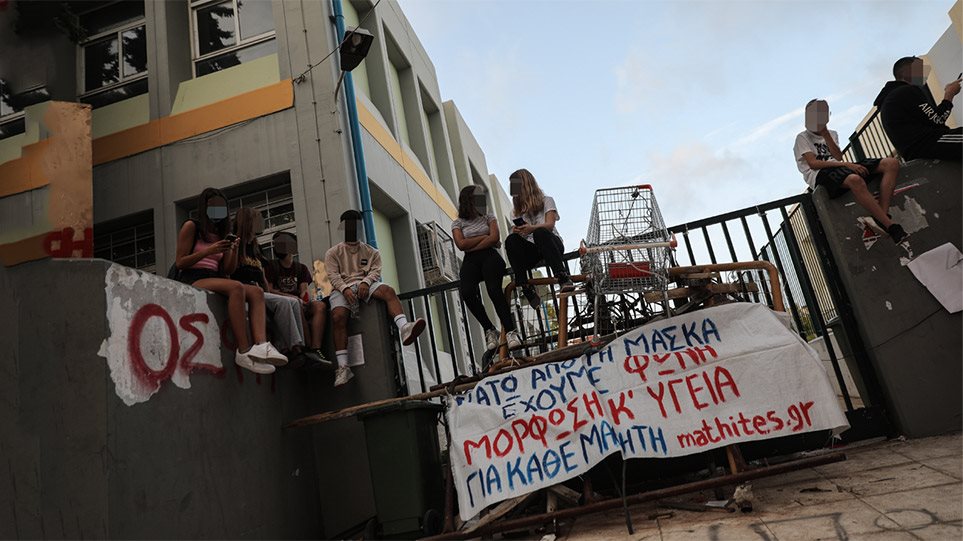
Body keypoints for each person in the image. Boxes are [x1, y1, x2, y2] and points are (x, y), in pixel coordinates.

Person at [174, 188, 287, 374]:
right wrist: (209, 251)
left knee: (256, 292)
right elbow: (180, 262)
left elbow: (228, 269)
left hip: (215, 277)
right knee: (236, 287)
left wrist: (232, 250)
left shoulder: (221, 233)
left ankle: (261, 345)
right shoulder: (191, 226)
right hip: (193, 277)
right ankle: (243, 351)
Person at [324, 210, 426, 386]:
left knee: (388, 291)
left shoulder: (371, 252)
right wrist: (345, 289)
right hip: (341, 289)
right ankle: (343, 367)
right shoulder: (333, 252)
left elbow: (376, 271)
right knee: (338, 316)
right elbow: (333, 275)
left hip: (365, 284)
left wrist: (365, 282)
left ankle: (404, 327)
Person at [794, 99, 908, 244]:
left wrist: (826, 134)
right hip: (819, 174)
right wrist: (848, 165)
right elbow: (813, 164)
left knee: (891, 163)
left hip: (840, 168)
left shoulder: (832, 133)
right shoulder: (802, 137)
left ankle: (882, 217)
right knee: (855, 179)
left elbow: (837, 156)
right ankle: (891, 226)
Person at [231, 208, 328, 368]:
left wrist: (301, 296)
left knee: (296, 303)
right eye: (258, 219)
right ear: (248, 222)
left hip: (259, 292)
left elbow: (262, 277)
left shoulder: (256, 247)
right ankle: (295, 349)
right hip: (245, 291)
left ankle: (305, 349)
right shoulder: (236, 243)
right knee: (286, 302)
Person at [452, 185, 522, 353]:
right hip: (471, 260)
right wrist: (485, 237)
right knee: (467, 292)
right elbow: (461, 245)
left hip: (490, 257)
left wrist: (474, 244)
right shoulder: (458, 223)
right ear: (469, 200)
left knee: (493, 290)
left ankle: (511, 332)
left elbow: (495, 238)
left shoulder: (489, 217)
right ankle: (489, 329)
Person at [504, 168, 573, 311]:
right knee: (511, 240)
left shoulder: (547, 200)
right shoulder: (515, 212)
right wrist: (518, 232)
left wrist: (531, 228)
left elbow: (550, 225)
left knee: (540, 232)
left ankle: (562, 277)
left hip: (551, 244)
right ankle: (524, 286)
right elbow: (522, 237)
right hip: (533, 250)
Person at [264, 230, 332, 368]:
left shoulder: (300, 268)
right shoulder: (271, 266)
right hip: (285, 306)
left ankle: (316, 348)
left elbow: (304, 290)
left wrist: (304, 297)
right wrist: (292, 297)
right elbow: (269, 290)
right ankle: (305, 349)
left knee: (320, 306)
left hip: (299, 302)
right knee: (296, 304)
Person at [874, 56, 962, 161]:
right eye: (921, 69)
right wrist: (949, 94)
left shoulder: (894, 97)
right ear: (906, 72)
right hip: (927, 144)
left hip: (917, 149)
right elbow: (938, 119)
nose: (925, 73)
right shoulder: (906, 91)